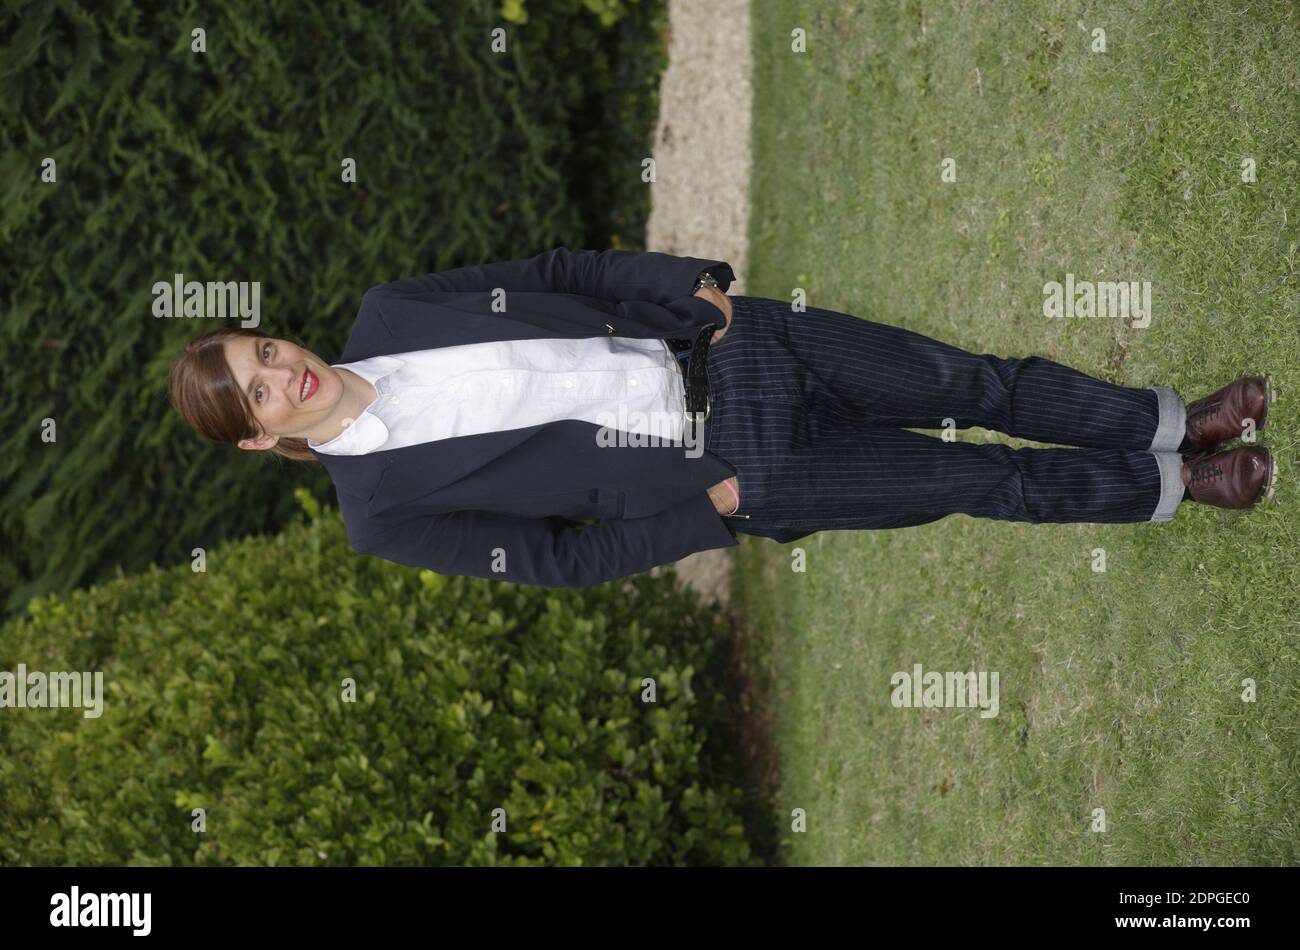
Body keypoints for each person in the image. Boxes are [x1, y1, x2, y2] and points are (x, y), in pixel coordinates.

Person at [168, 246, 1276, 588]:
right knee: (973, 479)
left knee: (973, 382)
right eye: (258, 392)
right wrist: (709, 511)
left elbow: (558, 264)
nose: (283, 373)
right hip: (732, 470)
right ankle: (1176, 485)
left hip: (737, 347)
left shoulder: (390, 308)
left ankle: (1167, 420)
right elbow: (556, 563)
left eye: (264, 351)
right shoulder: (382, 510)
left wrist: (689, 288)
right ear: (261, 437)